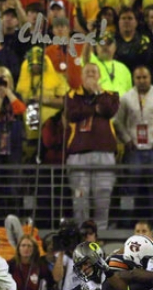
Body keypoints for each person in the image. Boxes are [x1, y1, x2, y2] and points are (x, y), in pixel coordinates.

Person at [65, 63, 120, 231]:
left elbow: (108, 110)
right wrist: (94, 108)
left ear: (99, 76)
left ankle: (101, 233)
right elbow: (72, 114)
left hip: (104, 152)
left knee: (103, 195)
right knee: (80, 196)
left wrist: (97, 93)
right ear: (81, 77)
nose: (90, 74)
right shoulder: (72, 95)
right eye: (87, 72)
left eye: (93, 72)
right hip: (78, 153)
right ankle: (83, 233)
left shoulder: (111, 95)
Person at [113, 65, 153, 217]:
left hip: (152, 147)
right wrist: (126, 139)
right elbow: (117, 121)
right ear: (134, 79)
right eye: (138, 78)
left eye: (145, 77)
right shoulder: (126, 97)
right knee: (129, 188)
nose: (142, 80)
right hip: (133, 149)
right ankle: (126, 221)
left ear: (150, 78)